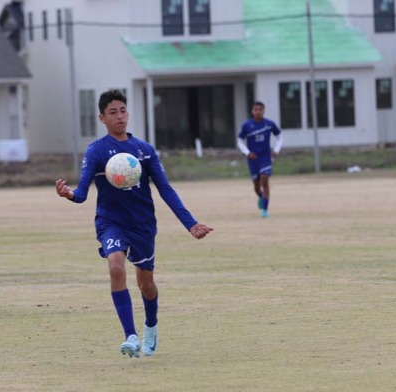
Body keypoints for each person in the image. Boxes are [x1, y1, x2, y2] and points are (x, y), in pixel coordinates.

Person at [56, 89, 213, 358]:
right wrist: (68, 194)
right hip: (111, 222)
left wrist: (191, 223)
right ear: (102, 118)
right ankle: (130, 336)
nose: (120, 116)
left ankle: (151, 325)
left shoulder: (145, 151)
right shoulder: (96, 151)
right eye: (113, 112)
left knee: (146, 284)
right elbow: (81, 194)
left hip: (142, 224)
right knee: (116, 268)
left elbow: (165, 189)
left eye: (123, 111)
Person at [237, 101, 282, 218]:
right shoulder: (247, 125)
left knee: (264, 179)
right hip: (253, 159)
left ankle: (265, 210)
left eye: (260, 109)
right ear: (252, 111)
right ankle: (261, 196)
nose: (258, 112)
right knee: (256, 186)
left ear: (263, 111)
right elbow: (240, 141)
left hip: (265, 157)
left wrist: (276, 150)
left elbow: (279, 137)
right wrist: (247, 153)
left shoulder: (269, 124)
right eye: (256, 109)